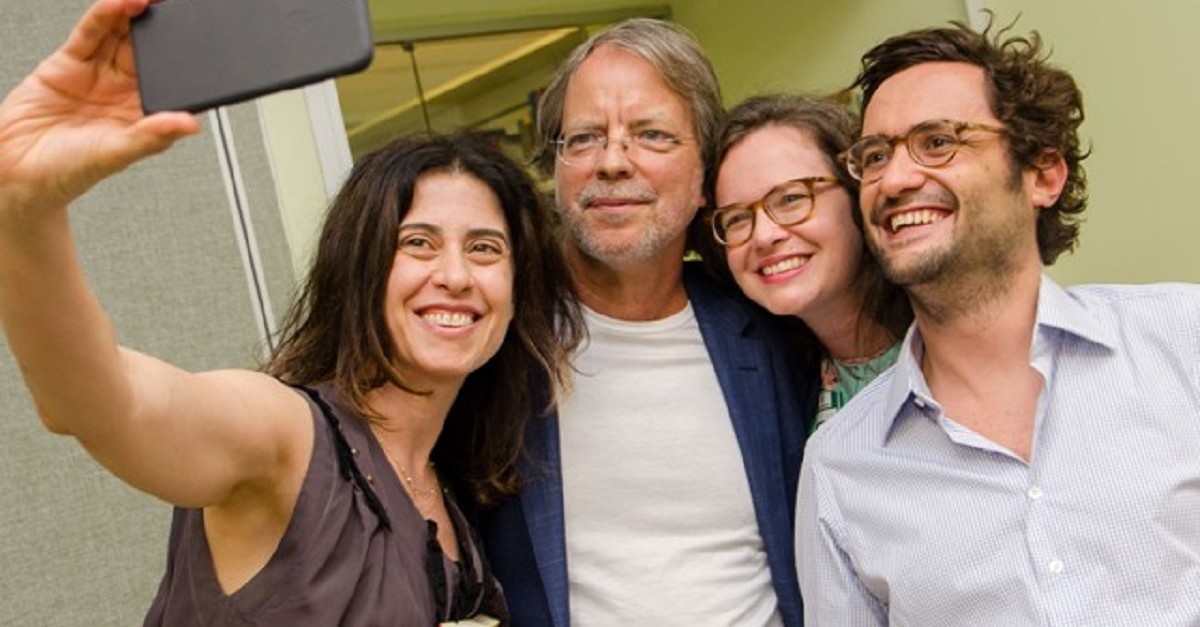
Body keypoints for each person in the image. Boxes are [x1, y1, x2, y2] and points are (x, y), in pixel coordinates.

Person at [0, 0, 583, 624]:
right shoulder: (288, 437)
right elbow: (104, 402)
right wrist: (23, 215)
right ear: (359, 269)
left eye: (485, 249)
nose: (456, 276)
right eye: (417, 242)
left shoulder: (454, 501)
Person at [796, 19, 1200, 625]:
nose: (896, 179)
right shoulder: (839, 466)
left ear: (1042, 174)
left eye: (938, 142)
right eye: (875, 155)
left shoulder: (1182, 339)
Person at [475, 18, 811, 627]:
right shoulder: (496, 345)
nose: (611, 162)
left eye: (651, 135)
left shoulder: (775, 333)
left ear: (705, 173)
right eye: (582, 139)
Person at [704, 94, 911, 434]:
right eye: (738, 218)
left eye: (791, 198)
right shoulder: (780, 384)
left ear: (857, 194)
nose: (764, 235)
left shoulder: (948, 344)